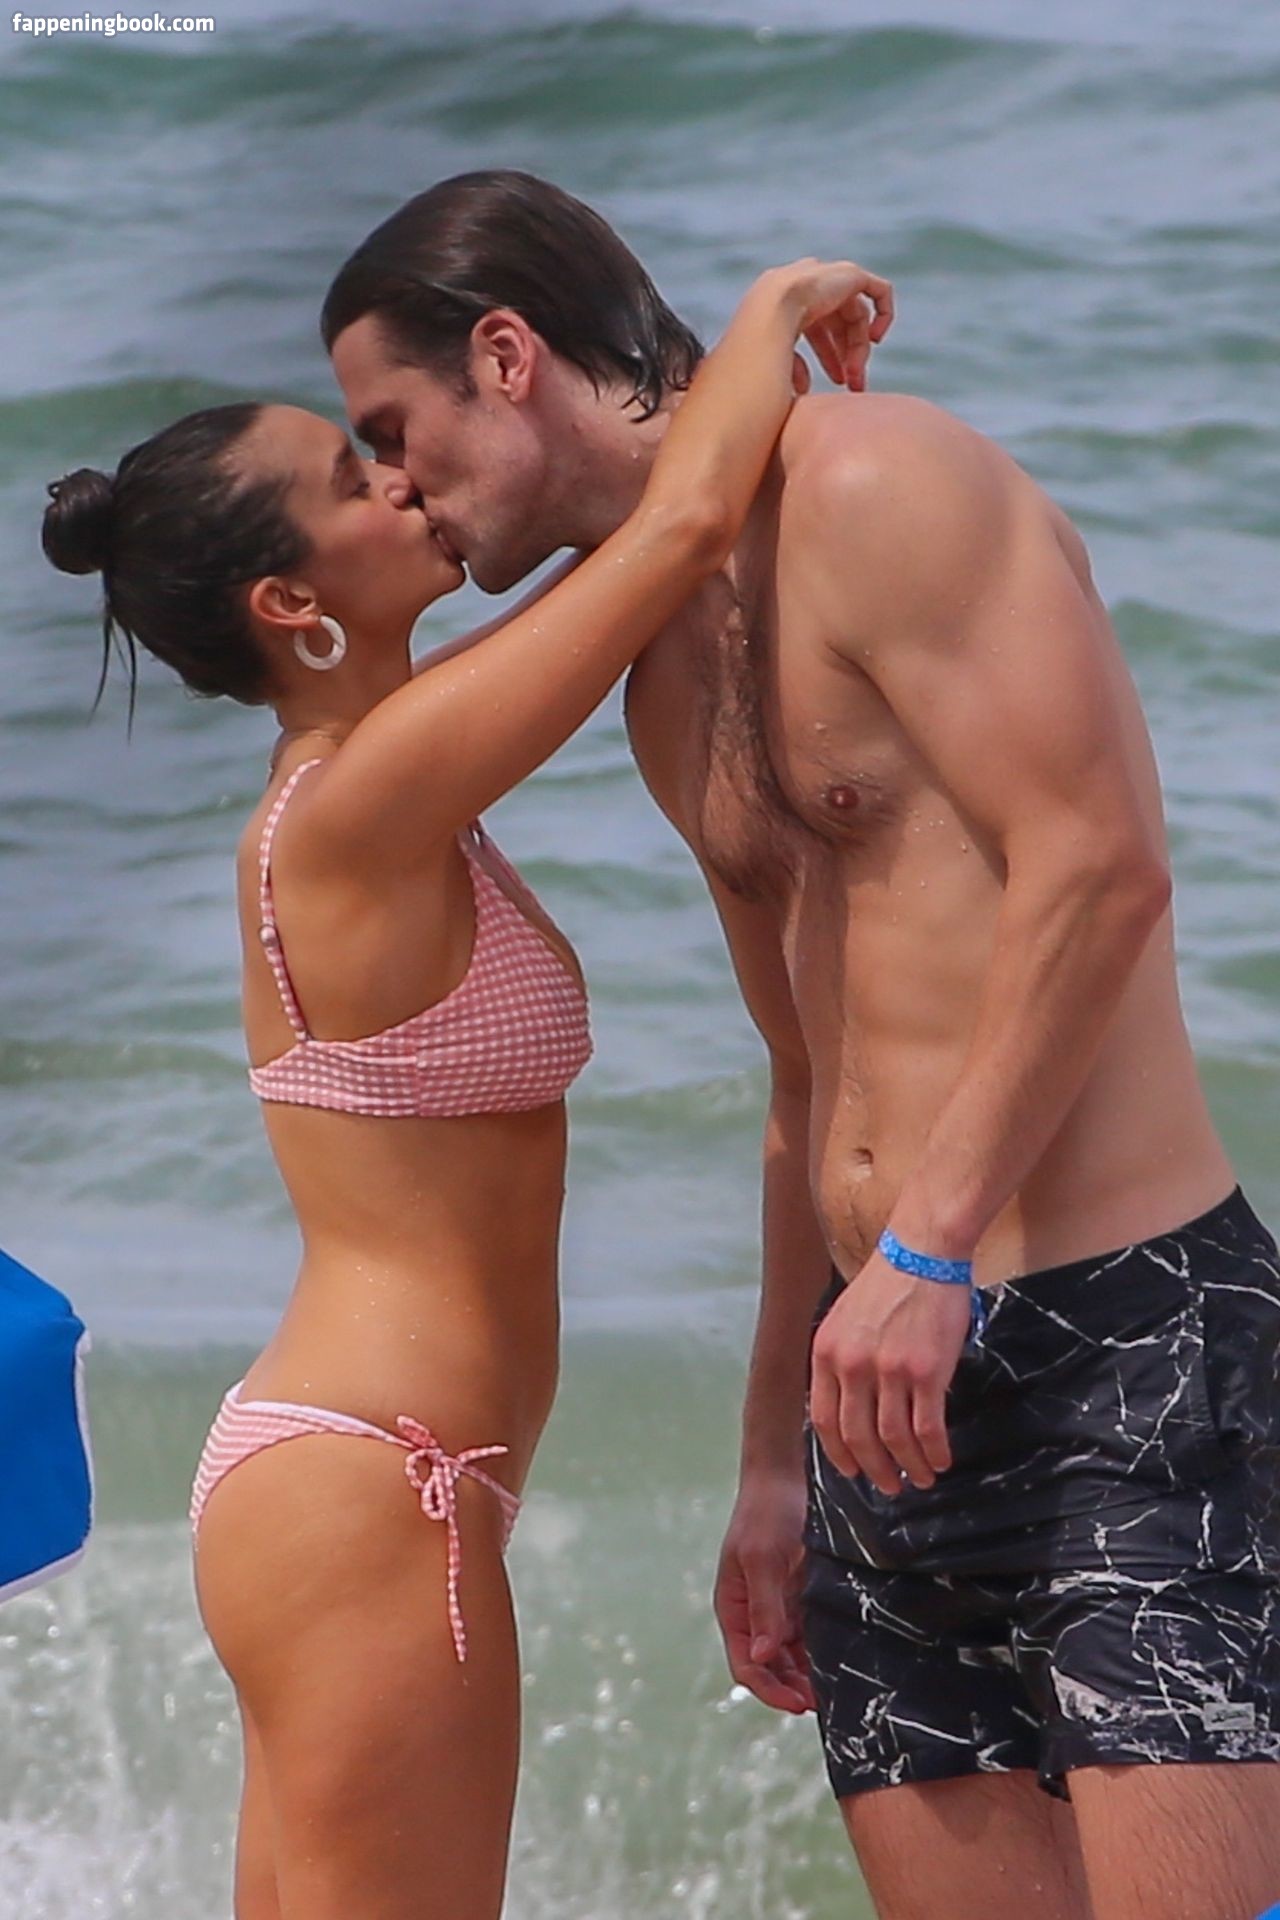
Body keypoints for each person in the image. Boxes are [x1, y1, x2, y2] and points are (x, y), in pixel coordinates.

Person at [323, 168, 1280, 1920]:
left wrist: (930, 1245)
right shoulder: (659, 674)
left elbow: (1099, 866)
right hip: (880, 1399)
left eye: (396, 429)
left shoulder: (881, 480)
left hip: (1119, 1347)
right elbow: (802, 1077)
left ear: (508, 356)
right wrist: (775, 1456)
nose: (397, 486)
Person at [39, 255, 889, 1920]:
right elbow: (672, 535)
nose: (399, 477)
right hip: (373, 1484)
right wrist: (773, 306)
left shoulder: (377, 776)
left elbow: (622, 569)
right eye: (350, 475)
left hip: (349, 1479)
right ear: (290, 602)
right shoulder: (357, 806)